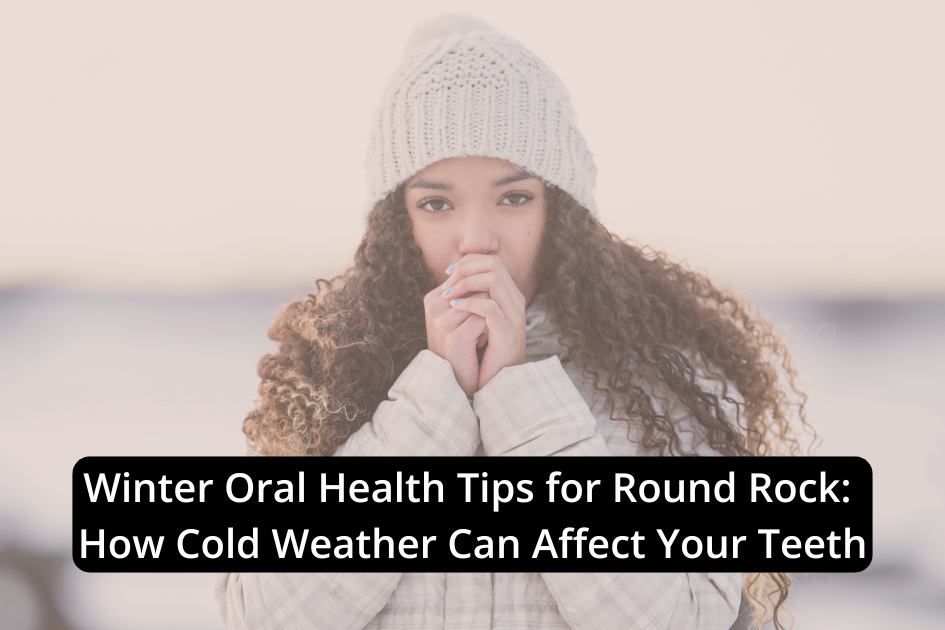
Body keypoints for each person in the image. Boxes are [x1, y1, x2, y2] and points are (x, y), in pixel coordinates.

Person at [215, 14, 808, 630]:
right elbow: (265, 616)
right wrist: (431, 402)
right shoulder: (327, 379)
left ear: (562, 211)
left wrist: (521, 398)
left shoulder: (664, 383)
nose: (476, 240)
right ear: (398, 222)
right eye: (437, 203)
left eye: (513, 197)